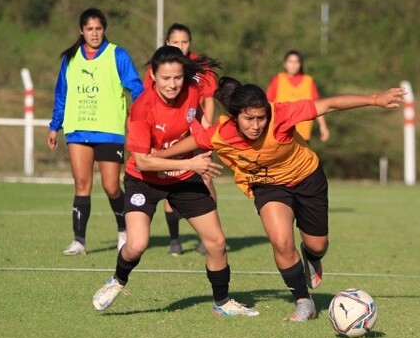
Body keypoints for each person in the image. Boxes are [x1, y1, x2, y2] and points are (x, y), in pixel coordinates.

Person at [156, 76, 405, 321]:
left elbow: (328, 104)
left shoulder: (282, 114)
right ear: (235, 117)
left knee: (318, 245)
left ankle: (312, 257)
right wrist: (158, 155)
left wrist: (375, 99)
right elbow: (191, 142)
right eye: (249, 119)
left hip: (308, 178)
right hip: (269, 188)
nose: (256, 125)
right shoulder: (221, 134)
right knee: (281, 242)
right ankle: (303, 301)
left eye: (261, 118)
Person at [92, 46, 258, 317]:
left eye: (178, 78)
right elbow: (143, 161)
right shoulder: (141, 110)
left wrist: (202, 145)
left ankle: (222, 302)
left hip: (182, 179)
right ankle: (117, 281)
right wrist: (190, 163)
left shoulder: (191, 93)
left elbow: (193, 123)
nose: (172, 84)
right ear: (153, 76)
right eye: (166, 78)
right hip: (143, 180)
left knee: (216, 243)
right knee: (136, 245)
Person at [48, 8, 144, 256]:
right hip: (78, 129)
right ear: (81, 30)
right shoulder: (70, 59)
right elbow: (62, 94)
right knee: (81, 184)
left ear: (104, 29)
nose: (94, 33)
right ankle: (79, 241)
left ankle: (124, 230)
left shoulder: (117, 55)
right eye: (89, 29)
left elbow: (137, 88)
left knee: (112, 186)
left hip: (109, 131)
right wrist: (54, 125)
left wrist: (142, 118)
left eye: (98, 28)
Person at [142, 23, 219, 257]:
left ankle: (206, 238)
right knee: (170, 181)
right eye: (176, 42)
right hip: (168, 135)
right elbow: (148, 102)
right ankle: (174, 239)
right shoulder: (158, 68)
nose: (181, 46)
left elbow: (207, 102)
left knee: (205, 179)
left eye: (184, 42)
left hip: (194, 133)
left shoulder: (199, 68)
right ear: (167, 42)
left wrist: (206, 134)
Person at [266, 50, 329, 142]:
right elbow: (268, 103)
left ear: (300, 64)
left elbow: (318, 105)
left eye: (296, 62)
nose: (293, 65)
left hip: (303, 134)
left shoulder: (309, 81)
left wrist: (323, 127)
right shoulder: (278, 79)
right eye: (290, 61)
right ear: (285, 64)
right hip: (280, 132)